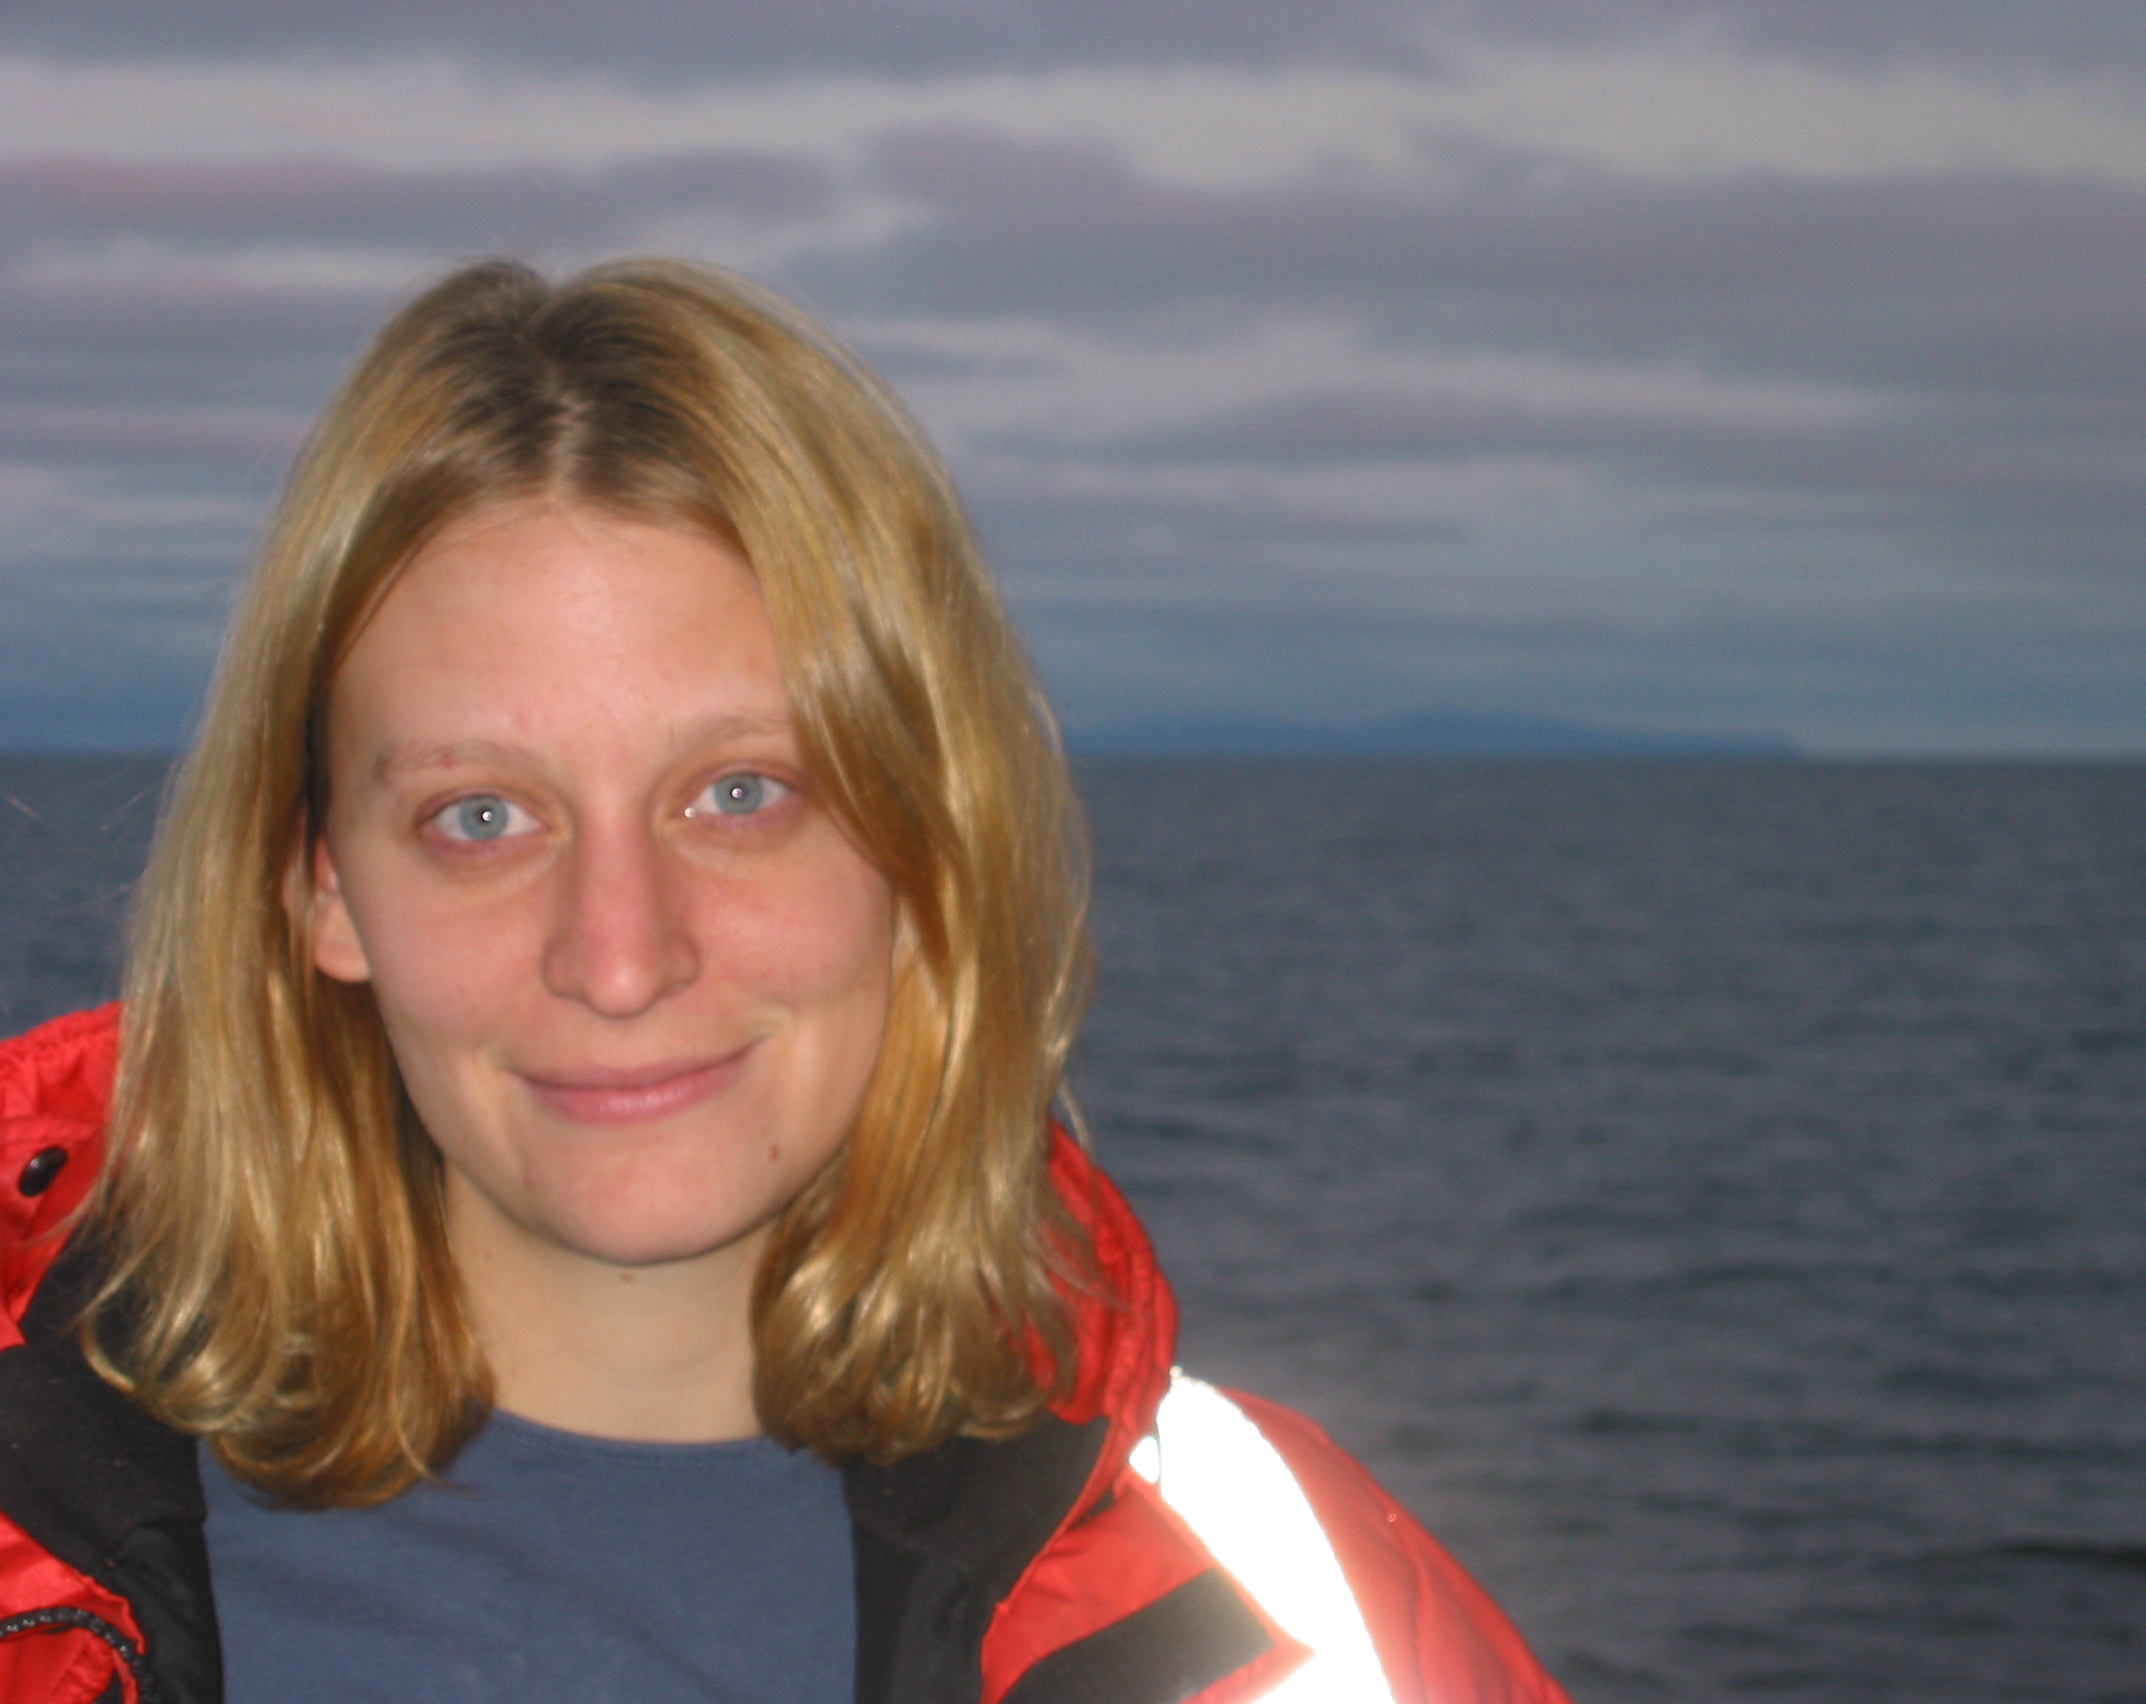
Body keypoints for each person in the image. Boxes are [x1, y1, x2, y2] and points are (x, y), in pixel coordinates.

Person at [0, 259, 1571, 1704]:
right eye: (481, 818)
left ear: (924, 847)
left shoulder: (1289, 1607)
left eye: (740, 795)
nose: (621, 958)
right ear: (324, 890)